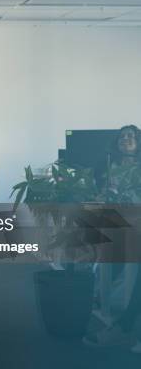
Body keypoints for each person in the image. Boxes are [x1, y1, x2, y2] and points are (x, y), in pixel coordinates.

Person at [84, 125, 141, 353]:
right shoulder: (107, 166)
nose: (125, 140)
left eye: (131, 136)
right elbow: (99, 195)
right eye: (121, 137)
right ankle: (103, 299)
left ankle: (126, 324)